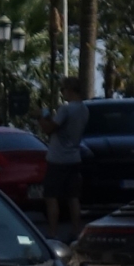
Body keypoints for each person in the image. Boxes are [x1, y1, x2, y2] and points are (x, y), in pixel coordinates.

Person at [43, 77, 90, 231]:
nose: (62, 93)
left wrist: (41, 116)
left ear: (69, 90)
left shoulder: (66, 109)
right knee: (73, 197)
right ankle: (77, 230)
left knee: (51, 196)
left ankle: (53, 231)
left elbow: (50, 129)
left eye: (63, 89)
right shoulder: (84, 109)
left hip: (57, 159)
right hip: (74, 157)